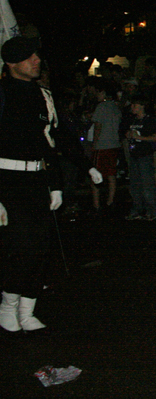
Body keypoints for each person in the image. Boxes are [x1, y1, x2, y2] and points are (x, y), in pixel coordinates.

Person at [0, 37, 85, 333]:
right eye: (29, 56)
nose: (37, 60)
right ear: (12, 64)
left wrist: (55, 184)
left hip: (36, 178)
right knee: (21, 246)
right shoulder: (3, 94)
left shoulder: (41, 95)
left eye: (37, 53)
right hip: (8, 180)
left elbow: (47, 142)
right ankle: (8, 304)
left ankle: (27, 309)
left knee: (41, 246)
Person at [89, 79, 122, 212]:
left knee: (96, 175)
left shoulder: (101, 107)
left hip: (102, 146)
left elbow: (98, 126)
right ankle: (110, 200)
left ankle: (96, 204)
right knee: (111, 174)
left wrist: (94, 143)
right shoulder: (115, 107)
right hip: (114, 144)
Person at [125, 96, 156, 221]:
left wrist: (140, 138)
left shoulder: (149, 120)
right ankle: (137, 210)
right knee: (135, 185)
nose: (132, 108)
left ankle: (151, 211)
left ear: (142, 106)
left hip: (145, 156)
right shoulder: (133, 120)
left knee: (147, 185)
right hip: (134, 155)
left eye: (135, 105)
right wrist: (129, 135)